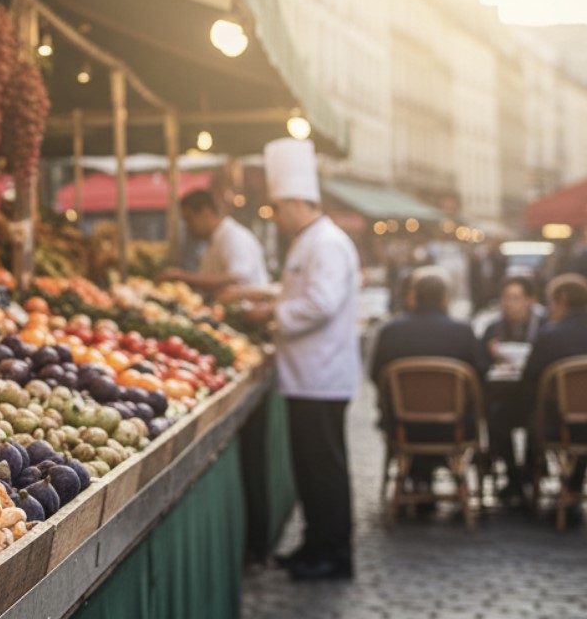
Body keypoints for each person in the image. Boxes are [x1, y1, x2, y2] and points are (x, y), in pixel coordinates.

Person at [243, 139, 361, 581]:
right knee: (311, 470)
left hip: (321, 375)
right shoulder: (311, 240)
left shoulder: (325, 243)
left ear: (296, 201)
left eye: (277, 207)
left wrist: (271, 313)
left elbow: (320, 304)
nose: (275, 216)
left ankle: (332, 553)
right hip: (309, 375)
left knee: (324, 470)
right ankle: (316, 544)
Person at [369, 267, 485, 497]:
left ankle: (418, 476)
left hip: (403, 425)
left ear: (414, 297)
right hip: (454, 427)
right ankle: (429, 473)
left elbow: (376, 375)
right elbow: (480, 376)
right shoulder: (462, 331)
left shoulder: (391, 331)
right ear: (445, 298)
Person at [520, 273, 587, 521]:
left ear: (561, 300)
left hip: (560, 423)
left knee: (531, 411)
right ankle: (572, 487)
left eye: (551, 302)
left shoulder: (551, 335)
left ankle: (528, 483)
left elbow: (530, 377)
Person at [480, 276, 545, 503]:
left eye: (516, 298)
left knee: (539, 419)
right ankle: (513, 475)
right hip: (503, 396)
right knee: (494, 415)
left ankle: (530, 471)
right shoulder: (493, 328)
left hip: (537, 396)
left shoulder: (545, 326)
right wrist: (493, 356)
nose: (509, 304)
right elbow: (480, 365)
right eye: (506, 298)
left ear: (530, 300)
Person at [159, 189, 270, 297]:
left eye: (189, 219)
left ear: (206, 212)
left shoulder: (233, 236)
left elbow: (235, 278)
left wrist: (183, 276)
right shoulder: (213, 240)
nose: (188, 227)